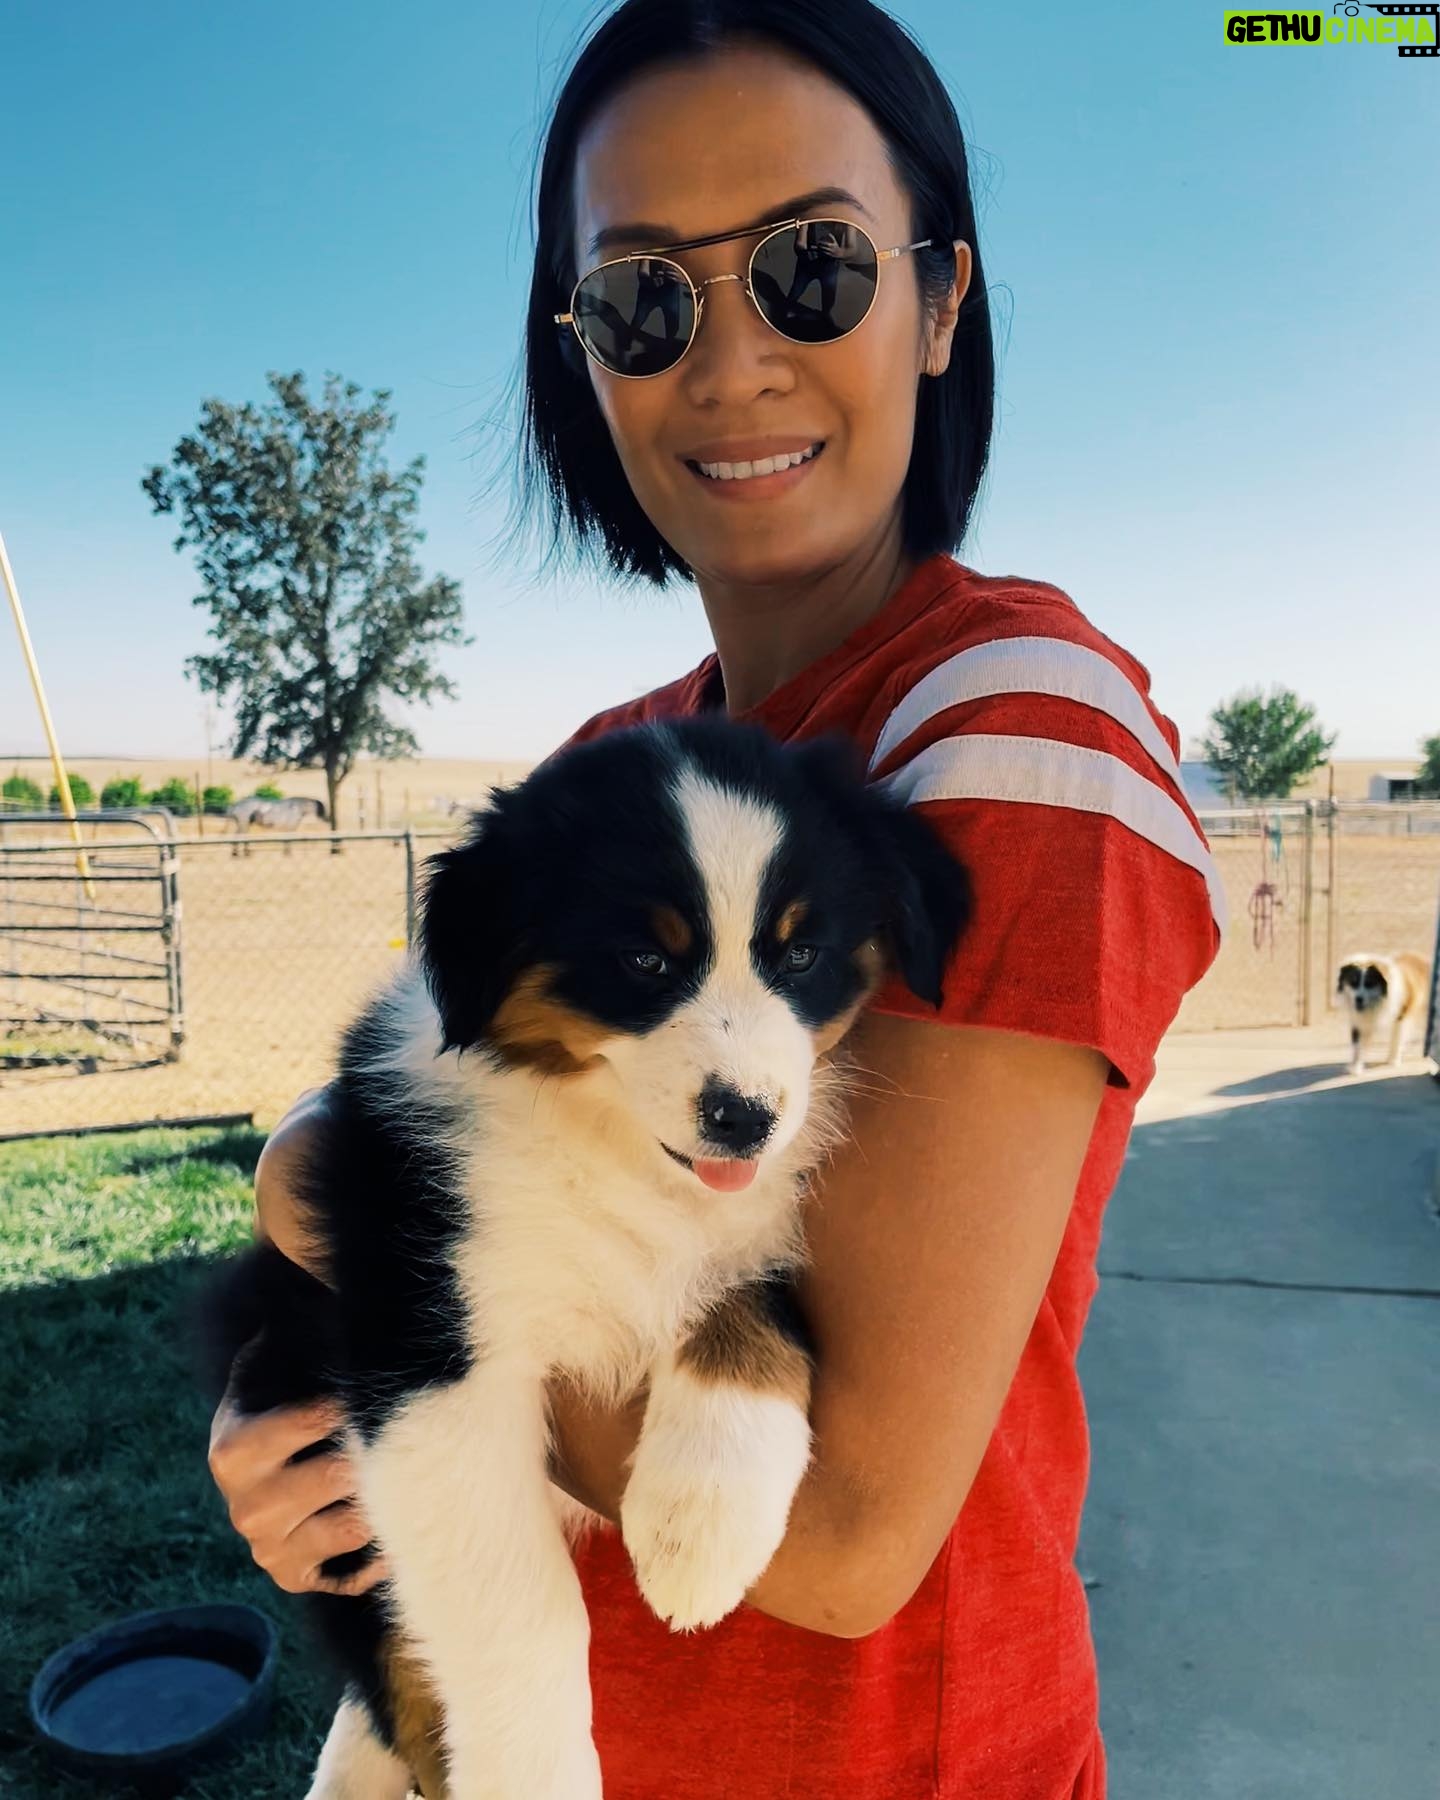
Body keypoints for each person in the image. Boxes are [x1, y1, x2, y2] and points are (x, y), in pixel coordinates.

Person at [205, 3, 1223, 1794]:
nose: (731, 363)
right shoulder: (624, 758)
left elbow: (833, 1539)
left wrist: (380, 1294)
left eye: (812, 269)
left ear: (943, 301)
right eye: (643, 302)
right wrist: (319, 1321)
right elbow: (436, 1094)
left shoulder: (1015, 731)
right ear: (583, 359)